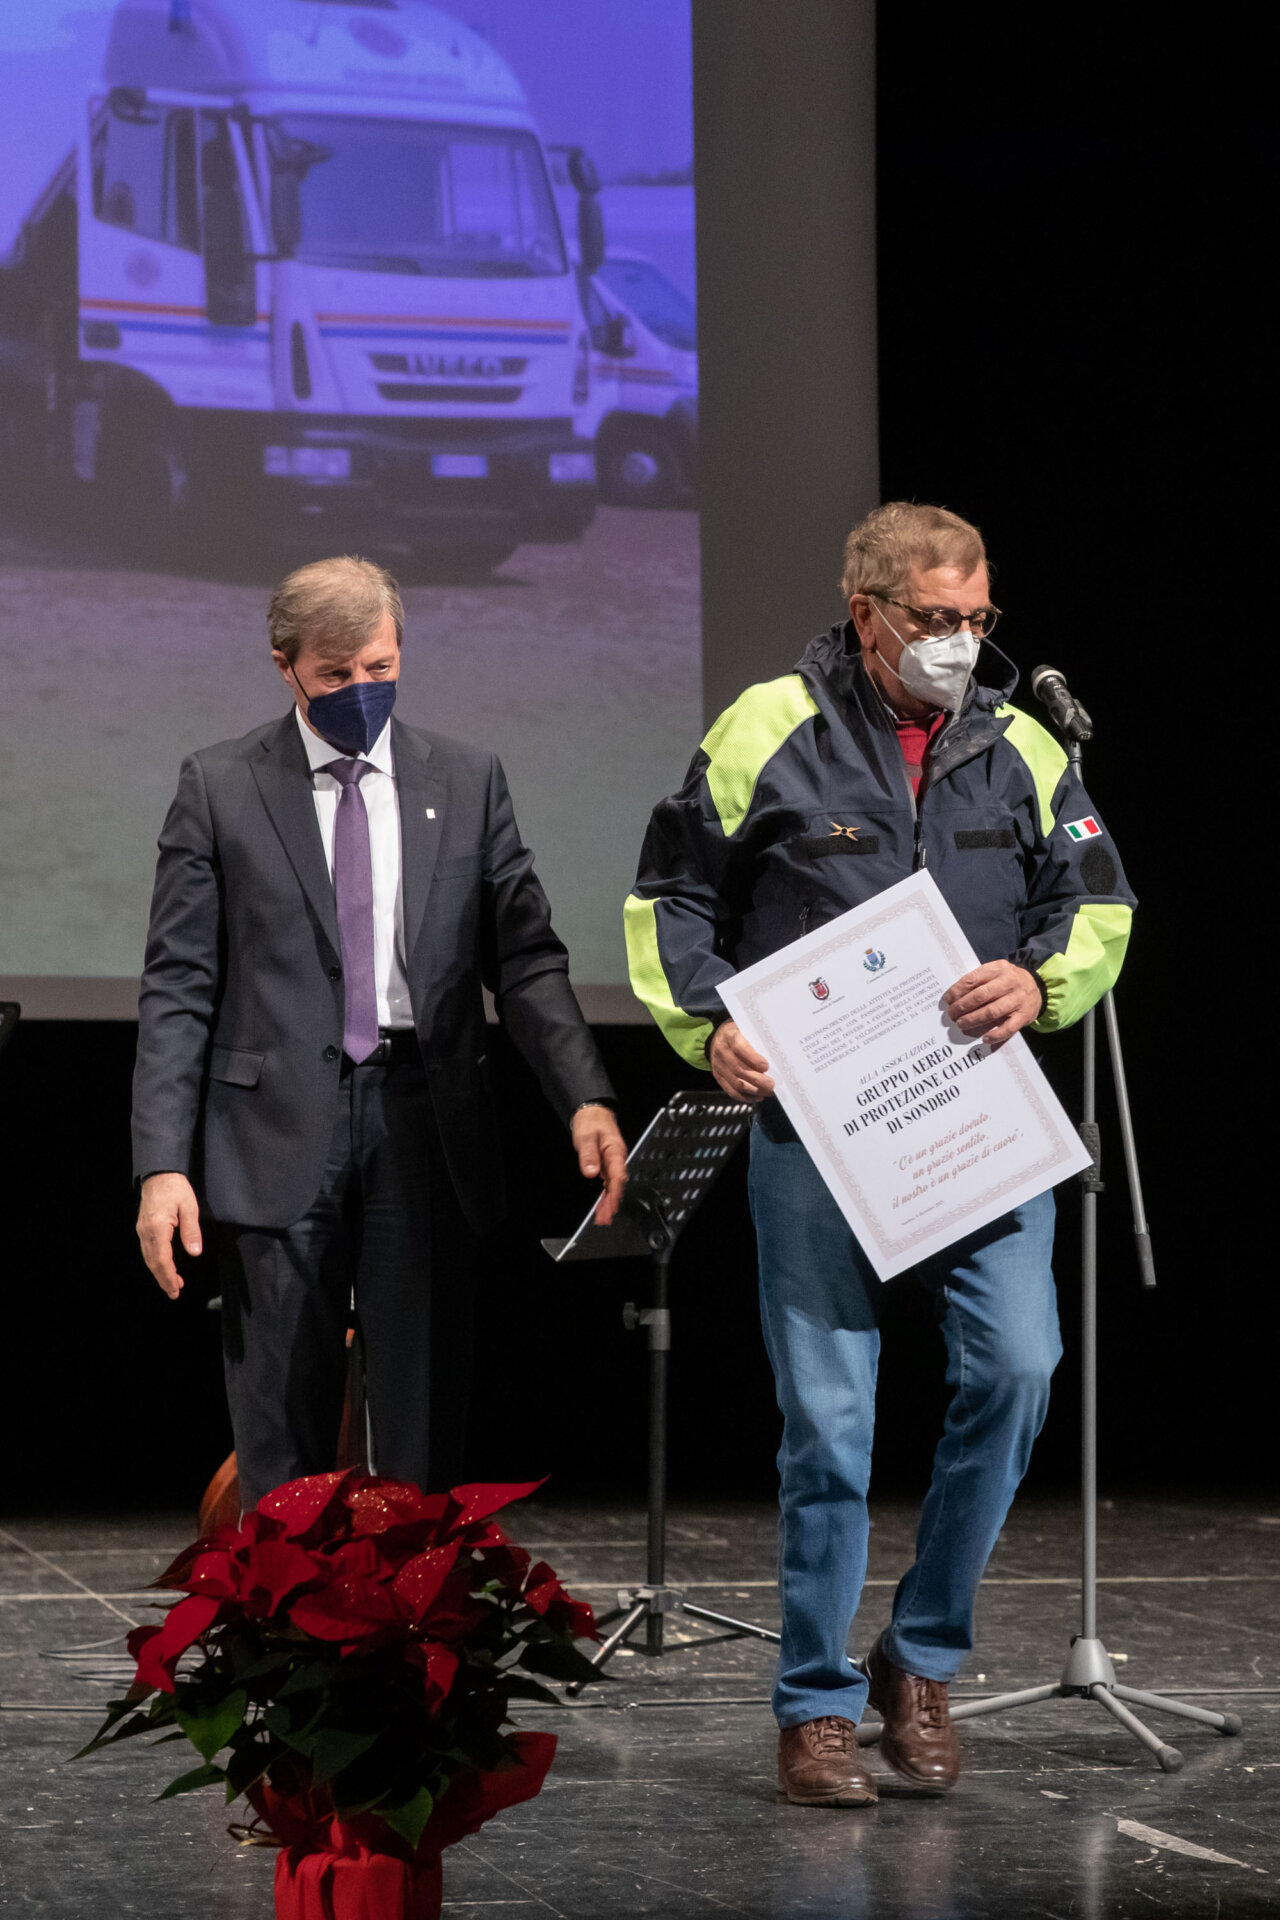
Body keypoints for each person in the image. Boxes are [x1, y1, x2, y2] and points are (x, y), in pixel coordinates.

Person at [625, 503, 1133, 1806]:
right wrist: (708, 1021)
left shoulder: (1023, 740)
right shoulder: (762, 729)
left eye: (980, 619)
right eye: (936, 620)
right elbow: (669, 898)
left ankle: (921, 1655)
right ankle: (814, 1706)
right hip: (817, 1127)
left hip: (979, 1117)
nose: (963, 644)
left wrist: (1039, 981)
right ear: (867, 613)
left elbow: (1101, 900)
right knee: (829, 1427)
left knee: (1021, 1368)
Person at [133, 556, 626, 1511]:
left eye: (380, 668)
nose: (363, 691)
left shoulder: (469, 780)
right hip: (273, 1131)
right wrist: (162, 1163)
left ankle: (410, 1640)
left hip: (424, 1127)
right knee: (280, 1430)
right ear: (287, 669)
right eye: (336, 675)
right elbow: (179, 986)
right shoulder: (221, 785)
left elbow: (524, 959)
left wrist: (586, 1095)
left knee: (420, 1431)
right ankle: (279, 1645)